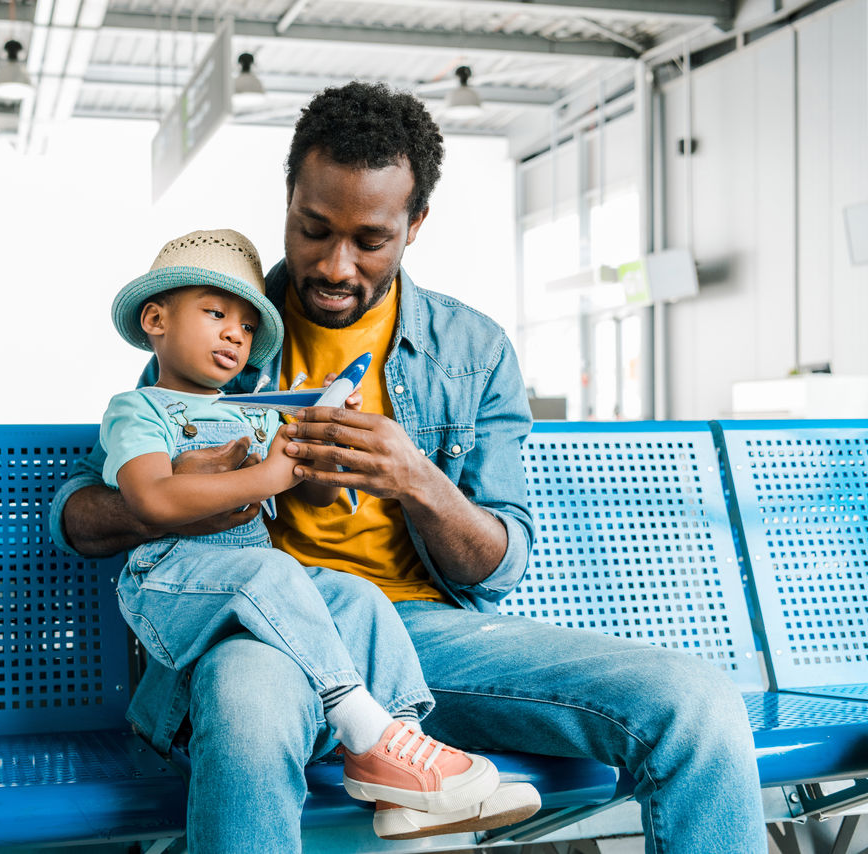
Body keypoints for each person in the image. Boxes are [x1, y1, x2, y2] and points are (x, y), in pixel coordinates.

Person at [52, 82, 766, 853]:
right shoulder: (218, 325)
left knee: (696, 702)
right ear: (289, 200)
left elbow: (500, 563)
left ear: (414, 225)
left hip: (423, 635)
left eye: (369, 240)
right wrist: (193, 492)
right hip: (264, 634)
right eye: (313, 228)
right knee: (250, 710)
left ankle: (398, 757)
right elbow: (90, 511)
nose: (334, 264)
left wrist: (416, 478)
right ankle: (386, 754)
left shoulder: (473, 351)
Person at [98, 227, 523, 828]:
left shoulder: (252, 409)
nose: (233, 335)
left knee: (357, 596)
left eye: (246, 326)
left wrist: (316, 432)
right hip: (170, 582)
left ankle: (401, 775)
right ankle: (361, 724)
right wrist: (268, 476)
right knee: (272, 570)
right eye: (215, 313)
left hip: (254, 586)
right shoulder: (137, 409)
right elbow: (152, 499)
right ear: (156, 319)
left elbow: (317, 489)